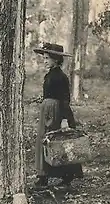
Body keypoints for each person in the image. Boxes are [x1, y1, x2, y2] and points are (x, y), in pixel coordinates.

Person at [33, 42, 84, 189]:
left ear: (56, 59)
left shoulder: (61, 77)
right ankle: (43, 175)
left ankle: (66, 175)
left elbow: (64, 99)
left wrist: (64, 119)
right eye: (44, 57)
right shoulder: (50, 75)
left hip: (56, 111)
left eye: (48, 58)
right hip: (47, 110)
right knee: (45, 141)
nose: (45, 60)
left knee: (57, 141)